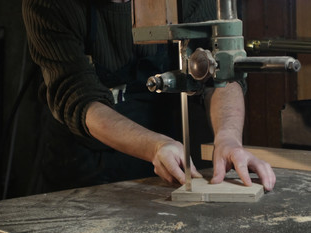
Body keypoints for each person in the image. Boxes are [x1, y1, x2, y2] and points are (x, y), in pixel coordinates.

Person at [22, 0, 276, 193]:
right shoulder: (51, 5)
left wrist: (229, 138)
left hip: (172, 158)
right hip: (85, 165)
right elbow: (78, 96)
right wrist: (153, 145)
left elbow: (222, 72)